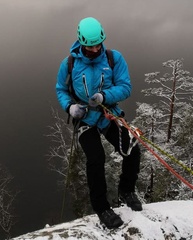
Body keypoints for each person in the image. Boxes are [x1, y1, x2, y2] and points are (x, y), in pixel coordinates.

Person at [56, 17, 142, 229]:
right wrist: (70, 108)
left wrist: (105, 96)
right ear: (81, 42)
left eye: (97, 44)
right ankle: (101, 207)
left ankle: (126, 189)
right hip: (85, 118)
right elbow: (61, 89)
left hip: (108, 114)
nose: (95, 49)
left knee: (132, 149)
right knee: (96, 158)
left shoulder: (114, 59)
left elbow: (125, 86)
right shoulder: (70, 64)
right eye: (90, 45)